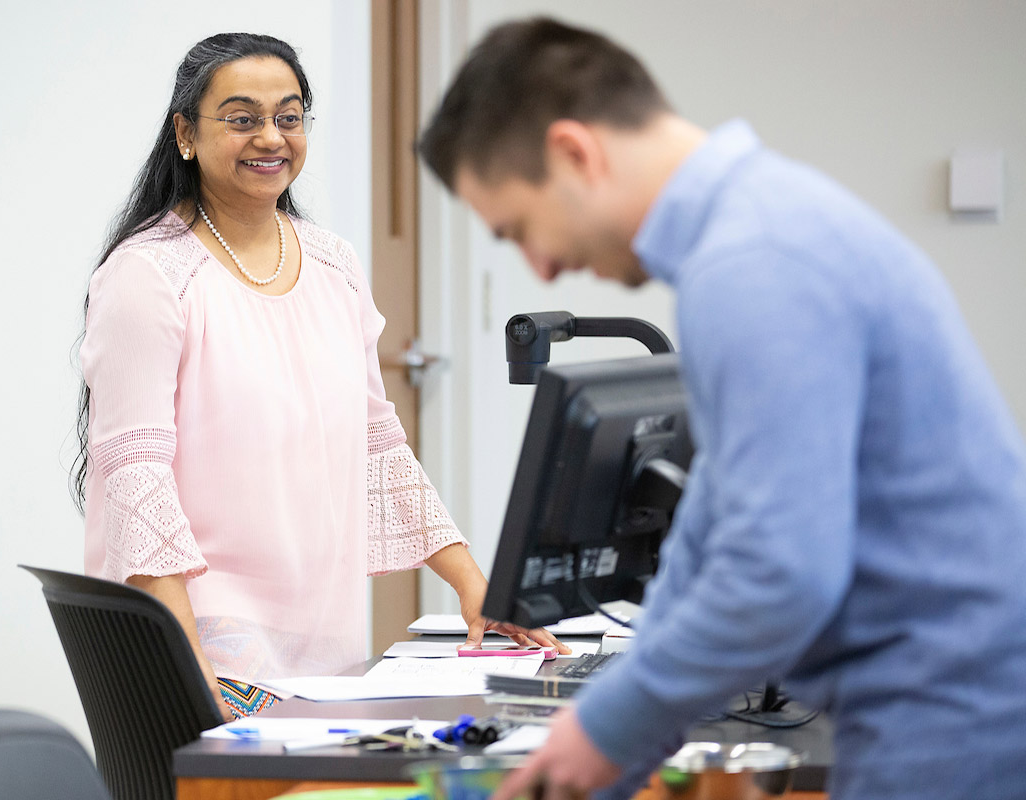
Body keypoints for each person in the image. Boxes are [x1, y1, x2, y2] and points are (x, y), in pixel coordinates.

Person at [419, 17, 1026, 800]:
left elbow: (778, 575)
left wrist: (607, 734)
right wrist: (608, 720)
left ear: (574, 153)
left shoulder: (752, 265)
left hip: (957, 714)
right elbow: (714, 524)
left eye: (520, 230)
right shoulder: (753, 233)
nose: (540, 265)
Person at [73, 32, 565, 722]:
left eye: (290, 115)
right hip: (199, 649)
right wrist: (187, 672)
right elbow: (136, 481)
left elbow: (378, 442)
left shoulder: (333, 265)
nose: (270, 137)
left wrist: (475, 585)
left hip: (324, 651)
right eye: (242, 118)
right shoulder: (149, 275)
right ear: (185, 133)